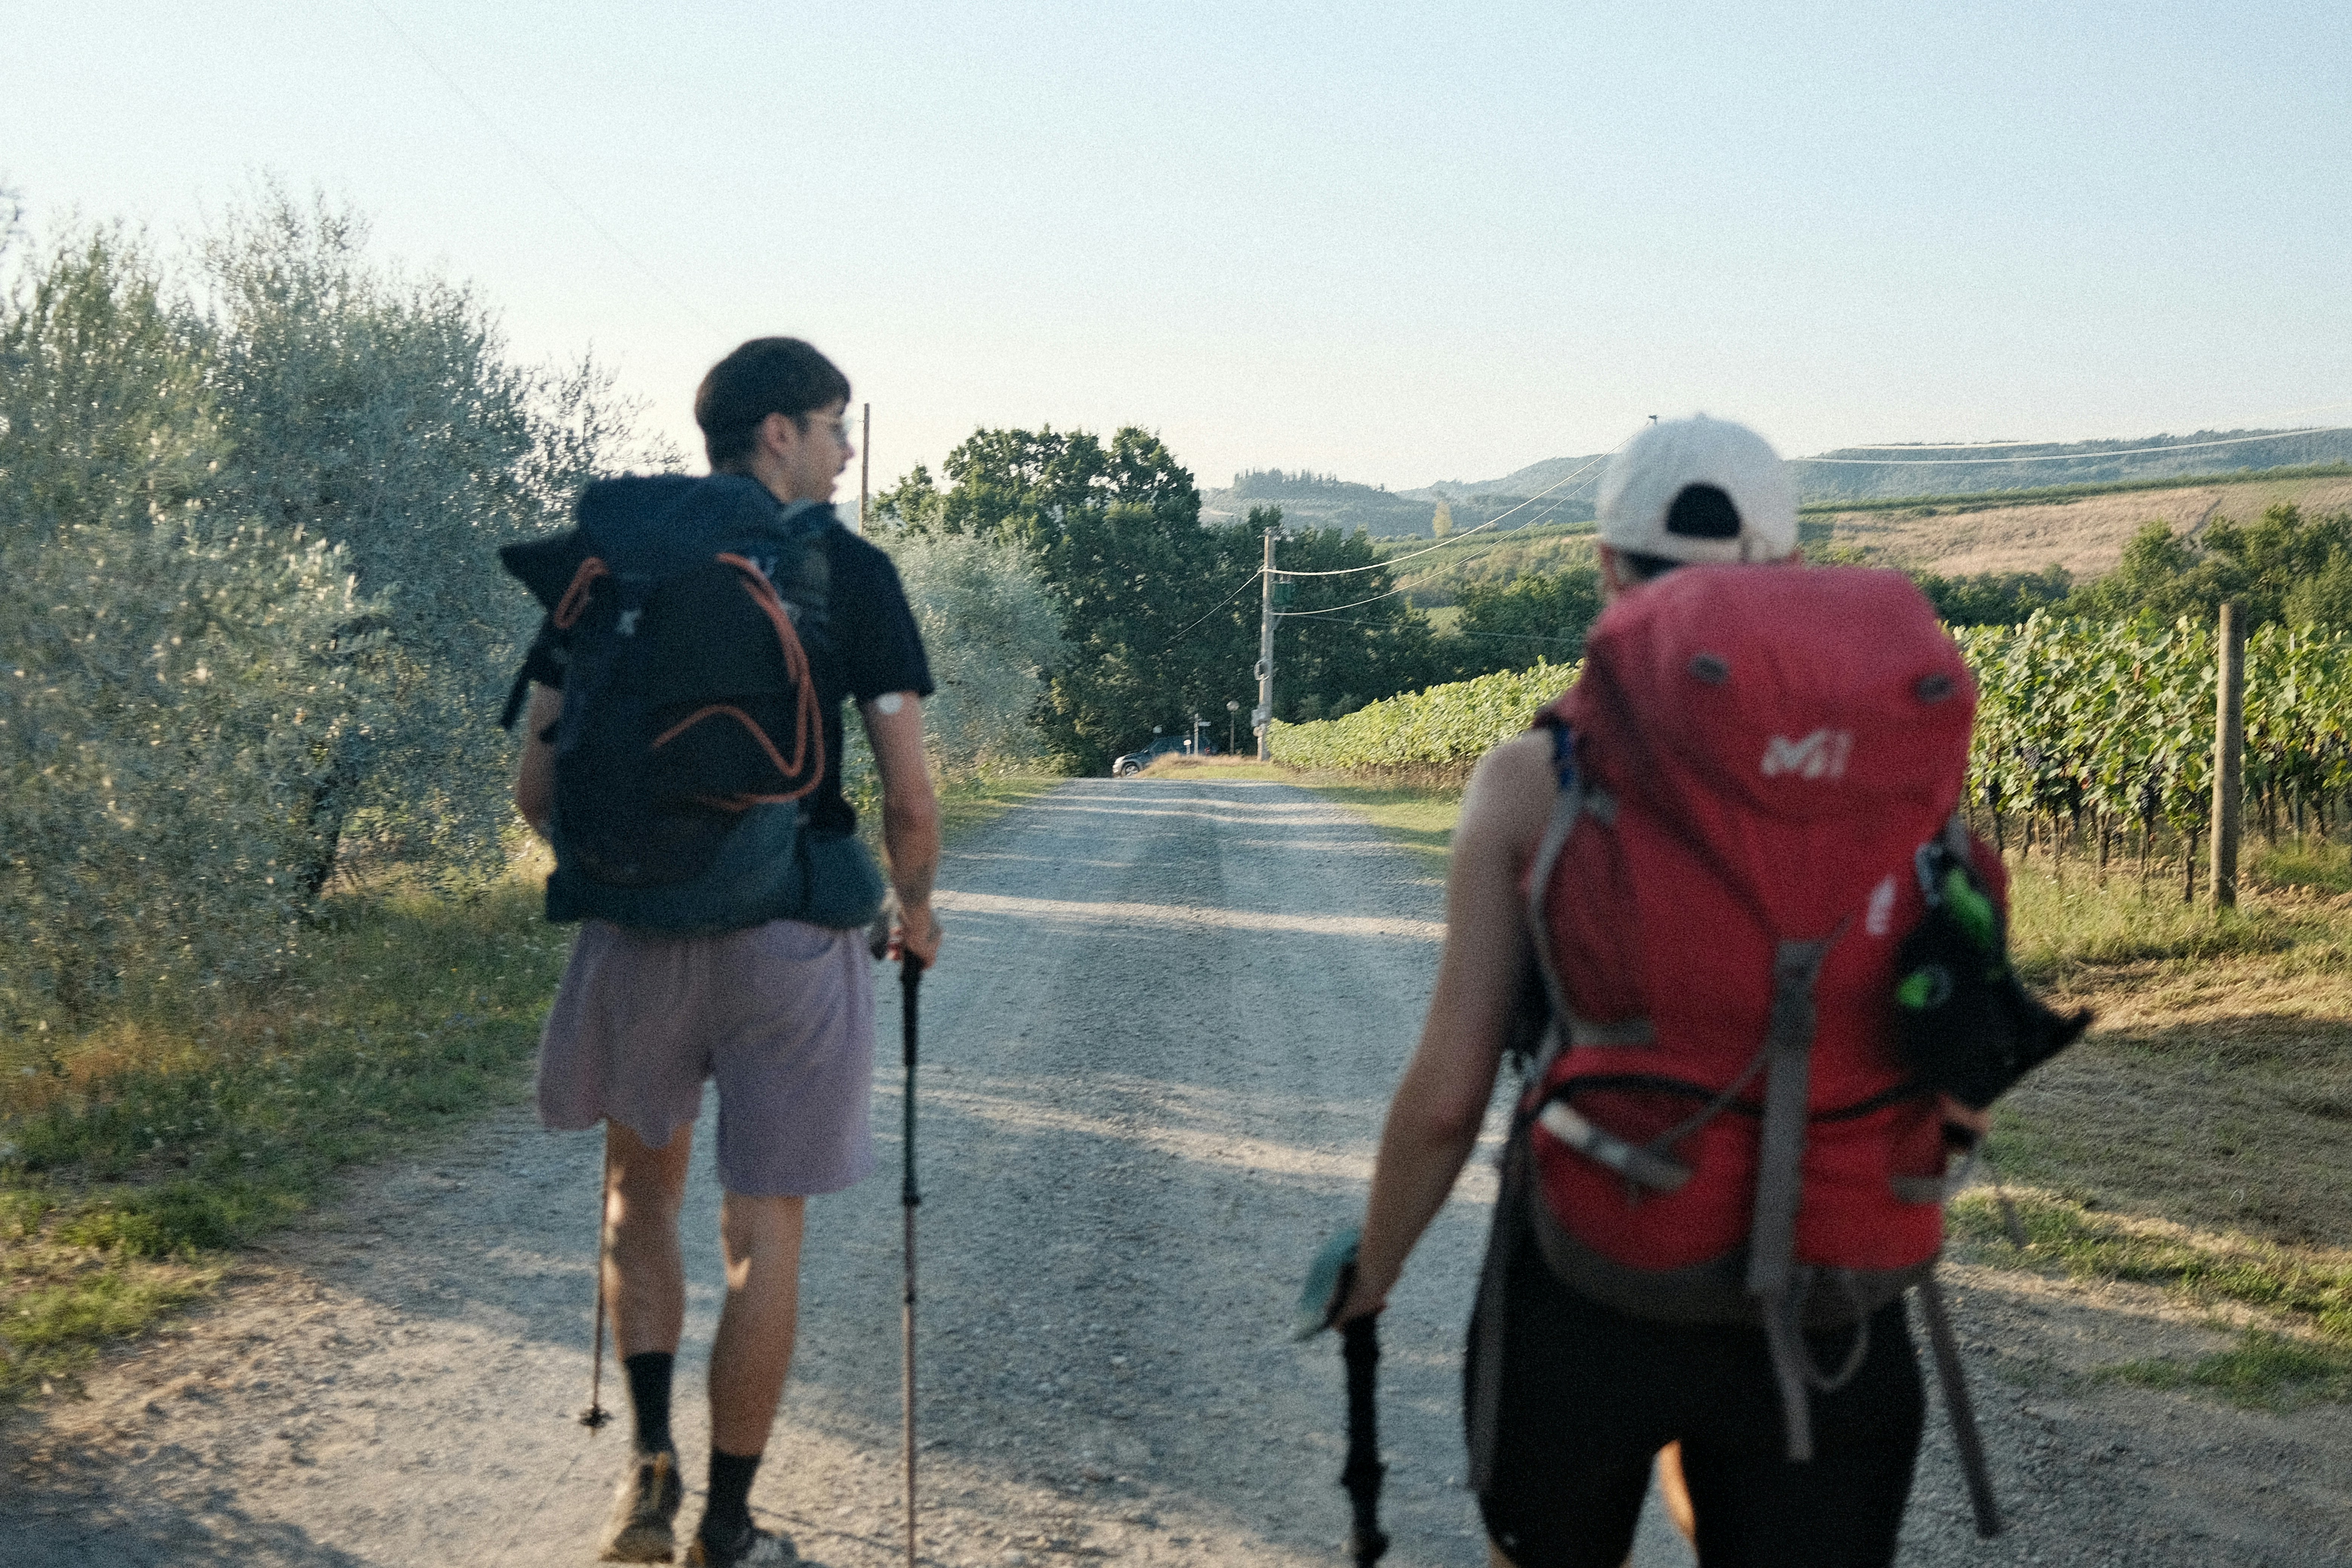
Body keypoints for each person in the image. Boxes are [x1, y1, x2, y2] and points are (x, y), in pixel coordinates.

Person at [1333, 416, 1991, 1568]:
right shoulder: (1910, 785)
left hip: (1595, 1283)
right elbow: (1965, 1080)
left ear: (1607, 566)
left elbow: (1449, 1095)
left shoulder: (1538, 779)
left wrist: (1372, 1272)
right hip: (1834, 1309)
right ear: (1788, 571)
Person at [513, 337, 943, 1568]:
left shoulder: (611, 565)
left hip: (634, 938)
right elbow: (909, 800)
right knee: (766, 1237)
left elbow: (538, 785)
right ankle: (729, 1523)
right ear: (775, 435)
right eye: (833, 425)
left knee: (634, 1200)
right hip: (791, 947)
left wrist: (636, 867)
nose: (847, 450)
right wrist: (915, 912)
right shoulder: (851, 576)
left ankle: (646, 1471)